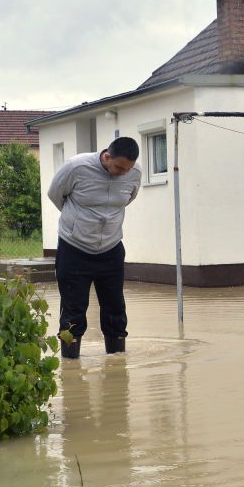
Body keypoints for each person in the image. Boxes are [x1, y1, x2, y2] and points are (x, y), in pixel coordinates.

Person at [48, 136, 142, 358]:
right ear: (107, 156)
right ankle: (71, 364)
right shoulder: (76, 167)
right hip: (74, 248)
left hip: (111, 248)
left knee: (115, 308)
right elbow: (55, 194)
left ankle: (117, 360)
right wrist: (79, 221)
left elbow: (129, 198)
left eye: (128, 169)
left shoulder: (134, 173)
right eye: (119, 167)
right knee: (73, 309)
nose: (123, 173)